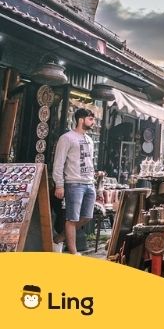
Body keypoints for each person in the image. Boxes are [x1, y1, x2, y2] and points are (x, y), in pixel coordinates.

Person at [53, 108, 97, 255]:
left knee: (87, 216)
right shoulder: (67, 138)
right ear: (80, 120)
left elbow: (89, 162)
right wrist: (59, 185)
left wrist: (95, 179)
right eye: (90, 119)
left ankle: (59, 238)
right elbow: (58, 163)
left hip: (89, 183)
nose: (93, 122)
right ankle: (73, 252)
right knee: (72, 218)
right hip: (73, 183)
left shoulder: (89, 140)